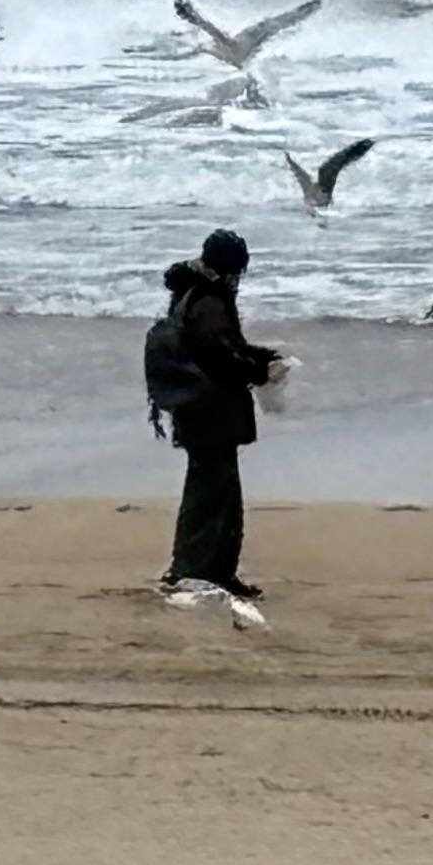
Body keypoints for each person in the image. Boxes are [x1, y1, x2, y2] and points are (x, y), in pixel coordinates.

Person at [147, 227, 286, 602]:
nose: (239, 279)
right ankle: (198, 572)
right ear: (228, 268)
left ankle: (205, 571)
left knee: (210, 492)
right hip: (210, 413)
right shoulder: (209, 300)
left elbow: (220, 348)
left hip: (197, 411)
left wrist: (259, 356)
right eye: (238, 270)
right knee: (215, 497)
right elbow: (219, 357)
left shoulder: (191, 294)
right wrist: (259, 370)